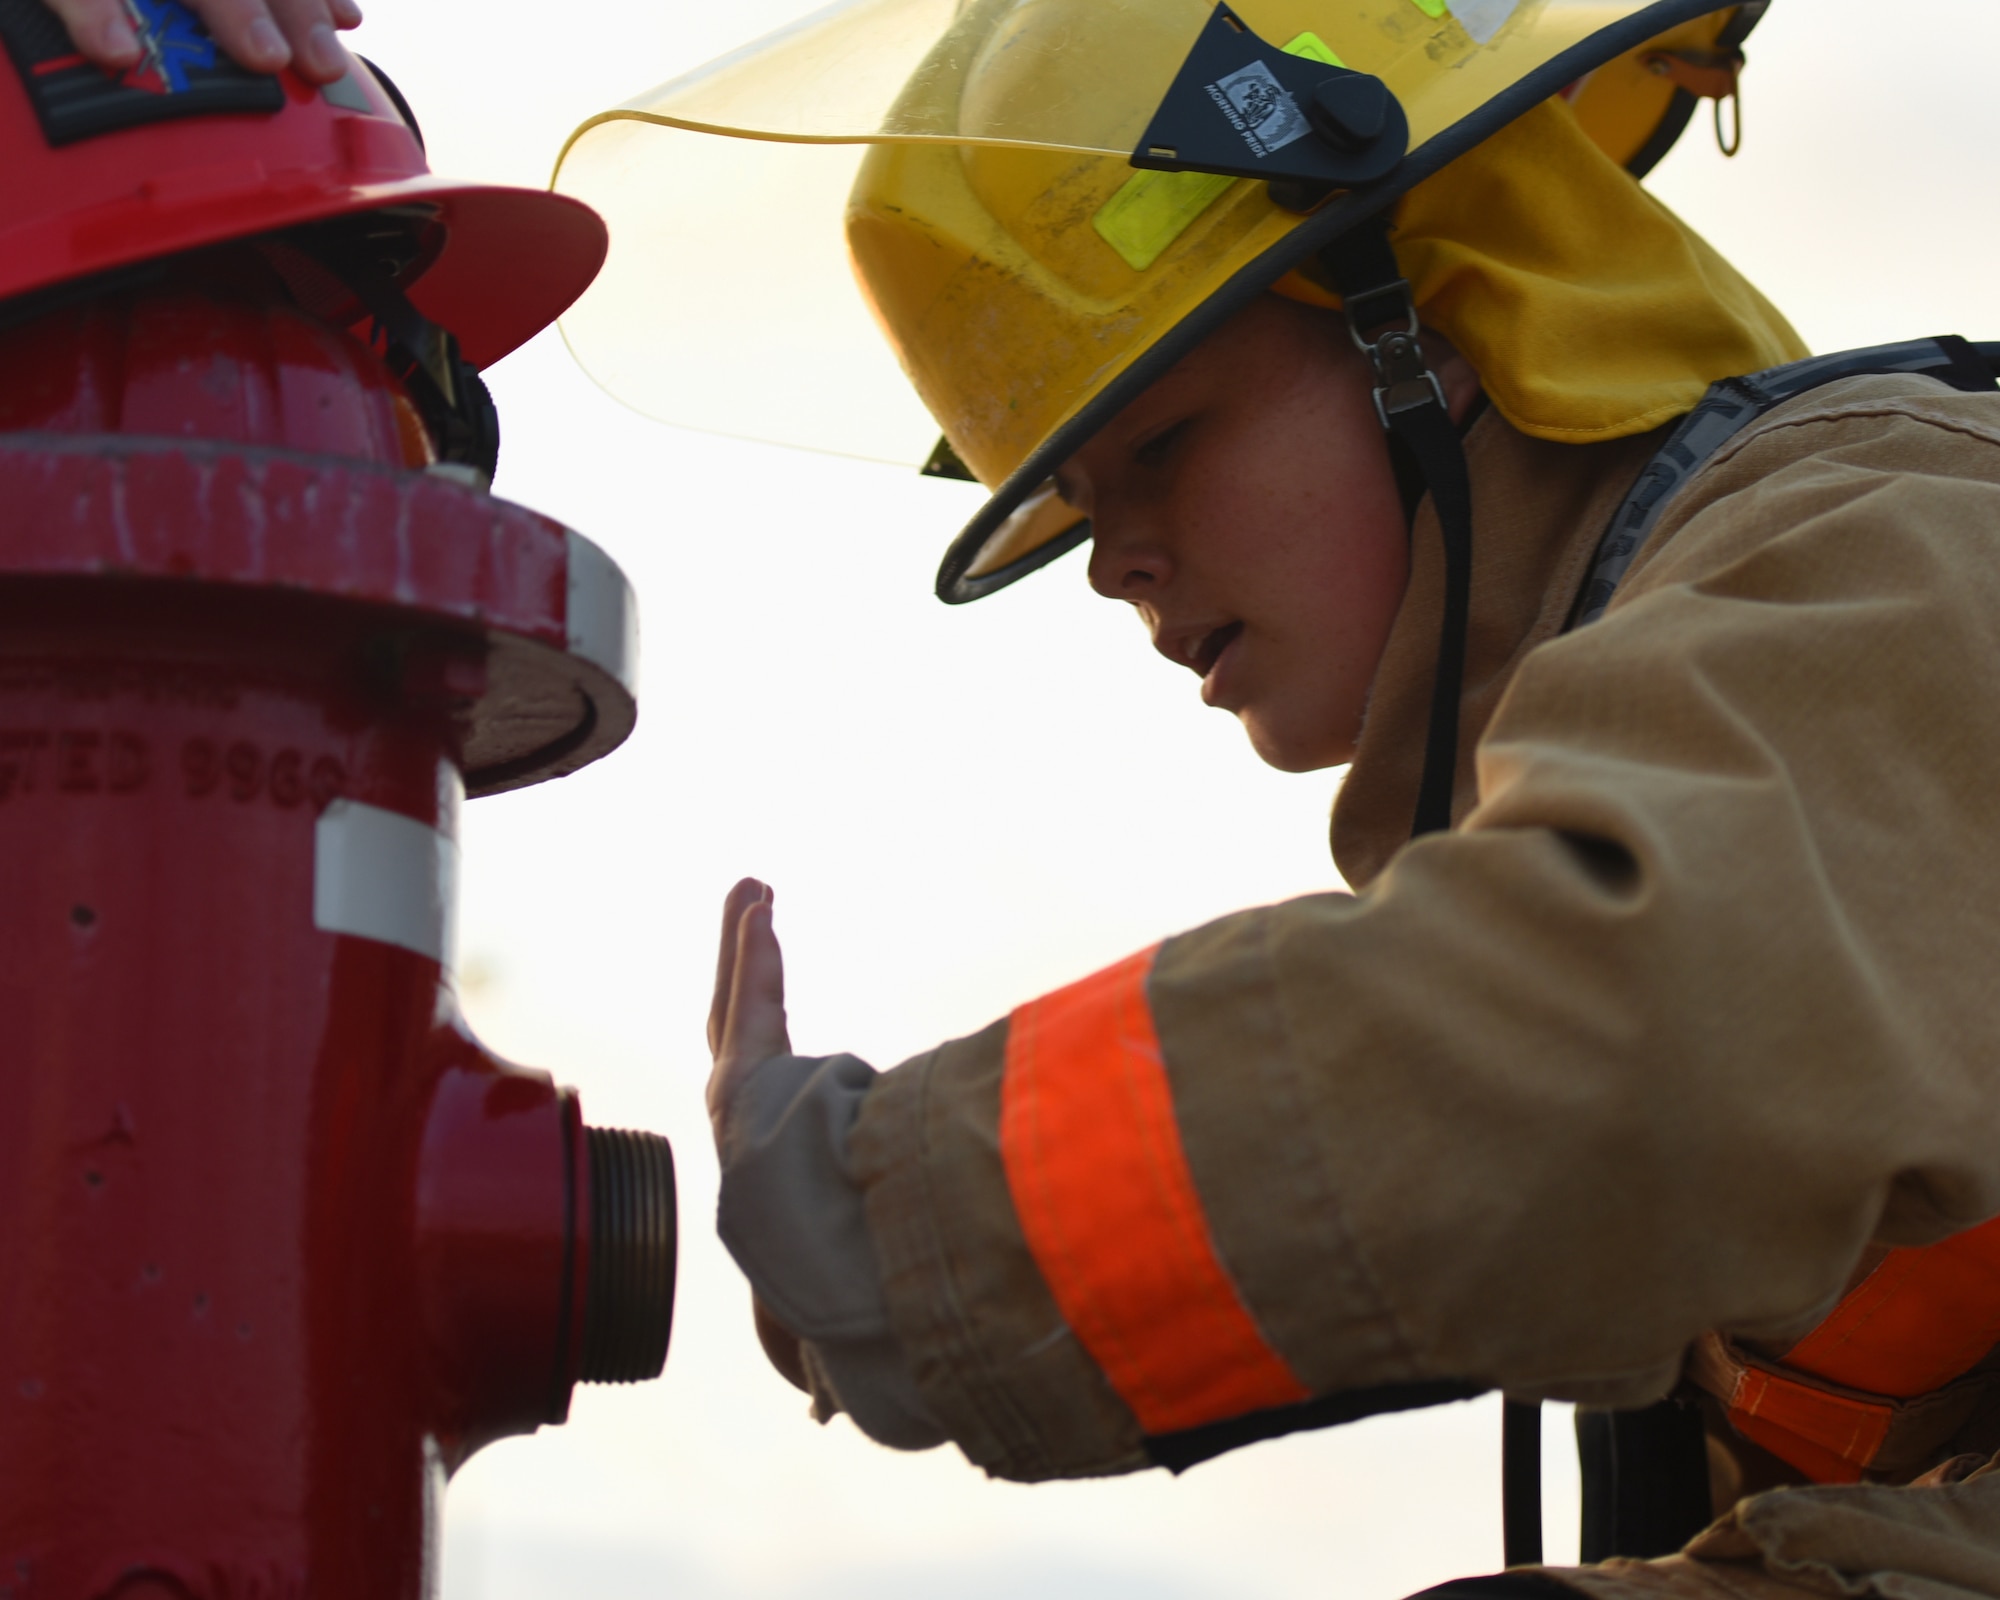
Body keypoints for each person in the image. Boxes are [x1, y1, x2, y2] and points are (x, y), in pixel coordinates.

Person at [605, 3, 2000, 1594]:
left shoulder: (1890, 541)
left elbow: (1625, 1036)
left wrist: (907, 1220)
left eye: (1166, 442)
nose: (1115, 564)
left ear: (1455, 320)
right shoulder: (1674, 707)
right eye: (1078, 505)